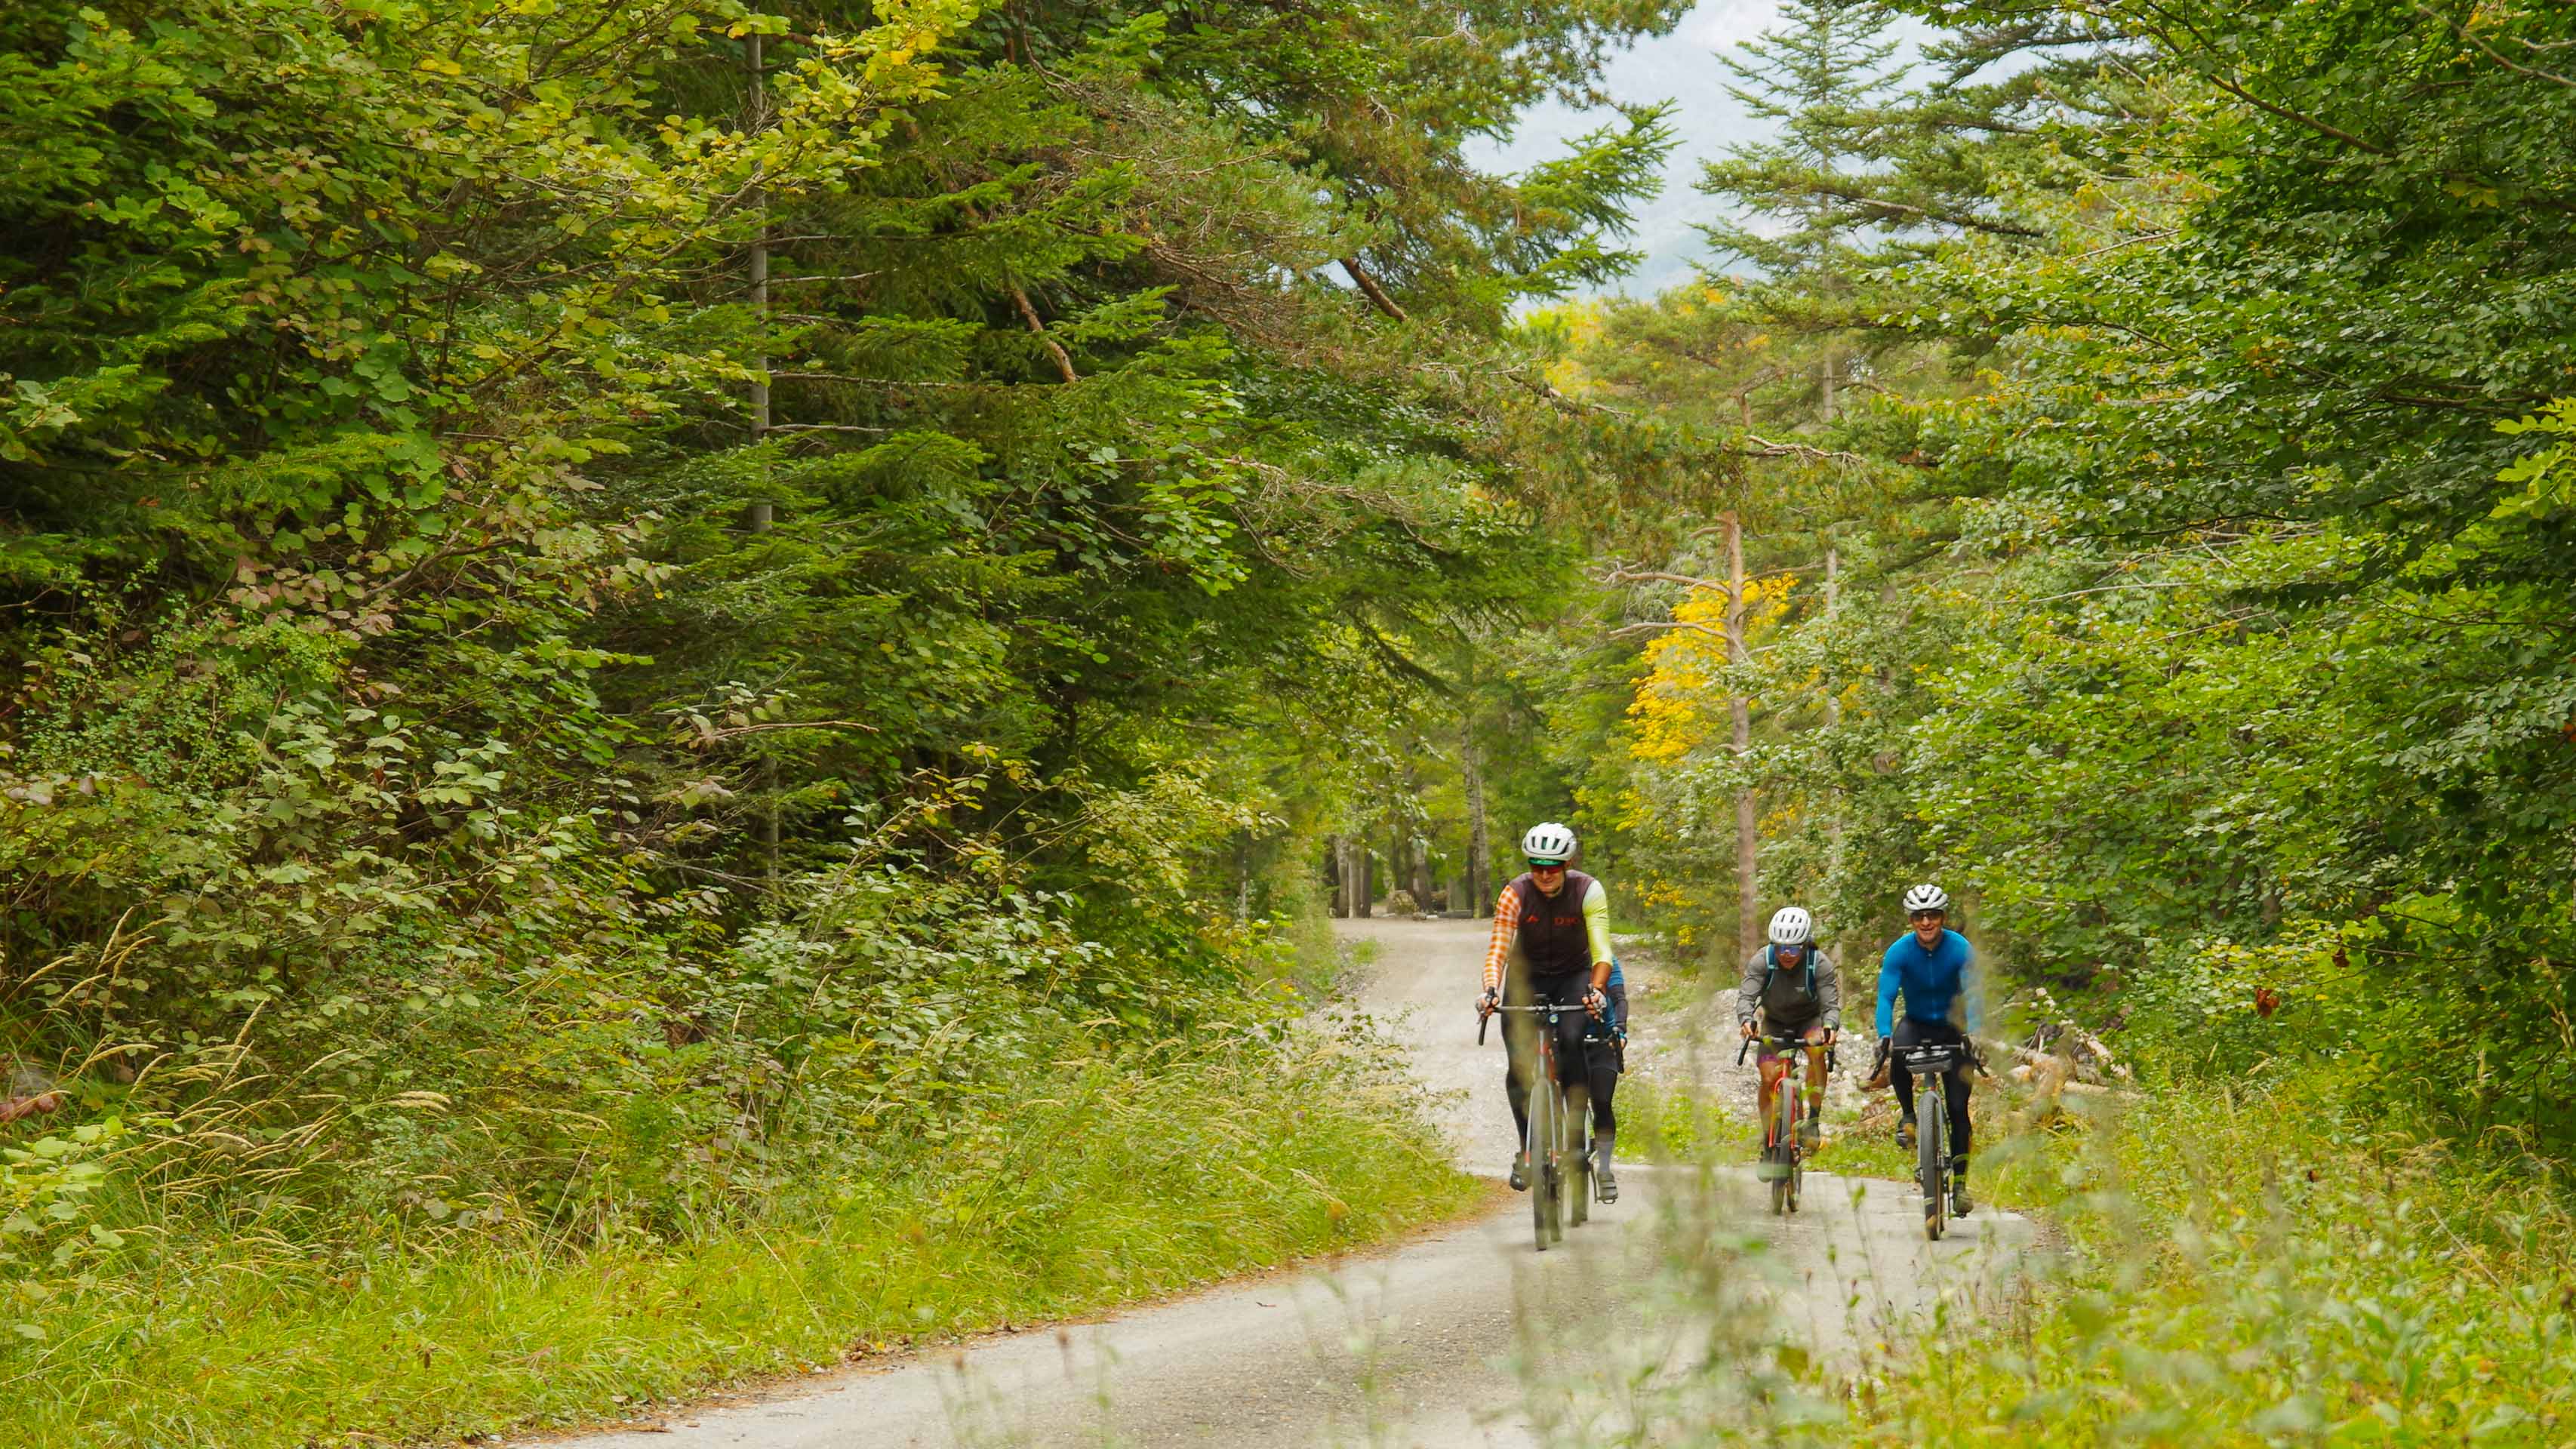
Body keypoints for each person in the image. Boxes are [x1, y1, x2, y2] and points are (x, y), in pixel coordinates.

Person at [1476, 822, 1621, 1201]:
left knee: (1573, 1039)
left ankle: (1574, 1139)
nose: (1544, 874)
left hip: (1574, 976)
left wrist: (1597, 989)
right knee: (1518, 1066)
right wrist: (1490, 989)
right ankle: (1527, 1150)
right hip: (1527, 979)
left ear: (1567, 863)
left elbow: (1602, 951)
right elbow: (1497, 951)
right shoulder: (1515, 893)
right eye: (1537, 865)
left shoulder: (1588, 890)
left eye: (1553, 866)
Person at [1874, 883, 1980, 1215]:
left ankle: (1960, 1186)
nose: (1926, 922)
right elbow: (1886, 996)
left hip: (1954, 1025)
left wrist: (1976, 1030)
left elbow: (1975, 992)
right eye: (1919, 916)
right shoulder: (1900, 951)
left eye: (1932, 915)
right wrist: (1883, 1033)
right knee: (1898, 1054)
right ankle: (1908, 1115)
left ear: (1943, 917)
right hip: (1917, 1022)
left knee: (1959, 1109)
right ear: (1911, 920)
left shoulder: (1961, 948)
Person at [1737, 906, 1838, 1153]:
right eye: (1780, 947)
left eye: (1793, 948)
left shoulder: (1820, 964)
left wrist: (1830, 1026)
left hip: (1808, 1021)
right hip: (1775, 1022)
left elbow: (1830, 1005)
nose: (1786, 954)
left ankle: (1812, 1122)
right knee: (1769, 1078)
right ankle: (1767, 1138)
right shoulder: (1763, 960)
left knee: (1817, 1049)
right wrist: (1746, 1019)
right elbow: (1746, 997)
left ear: (1805, 945)